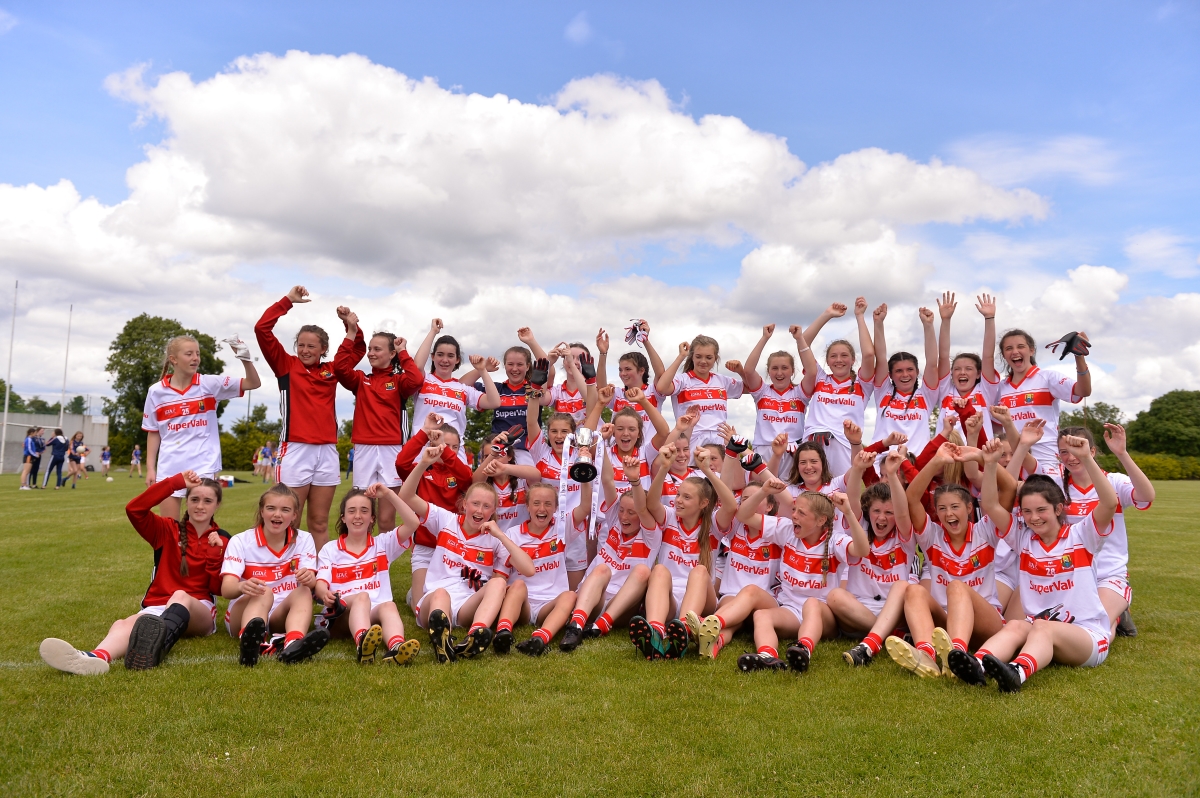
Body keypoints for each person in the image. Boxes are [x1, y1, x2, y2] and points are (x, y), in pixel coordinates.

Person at [954, 436, 1118, 691]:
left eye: (1041, 510)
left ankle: (1017, 673)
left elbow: (1109, 503)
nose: (1033, 518)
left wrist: (1086, 458)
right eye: (1027, 511)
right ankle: (976, 665)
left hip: (1088, 638)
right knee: (1018, 625)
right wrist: (989, 464)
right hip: (1041, 631)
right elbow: (990, 505)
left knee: (1040, 626)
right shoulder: (1023, 538)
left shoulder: (1081, 535)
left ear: (1058, 508)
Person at [38, 470, 230, 674]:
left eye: (207, 501)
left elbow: (218, 589)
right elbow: (135, 509)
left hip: (199, 610)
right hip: (159, 607)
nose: (200, 506)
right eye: (194, 499)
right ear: (186, 501)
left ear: (217, 505)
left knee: (180, 596)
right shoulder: (166, 529)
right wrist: (174, 483)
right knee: (123, 624)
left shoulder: (223, 539)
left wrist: (215, 554)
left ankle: (155, 647)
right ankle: (94, 657)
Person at [886, 442, 1010, 678]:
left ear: (969, 510)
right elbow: (912, 499)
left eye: (955, 507)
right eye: (942, 509)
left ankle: (957, 656)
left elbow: (1008, 490)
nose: (949, 514)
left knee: (956, 587)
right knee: (913, 591)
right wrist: (937, 461)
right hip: (945, 624)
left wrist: (984, 458)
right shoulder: (932, 536)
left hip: (987, 623)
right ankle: (927, 654)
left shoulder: (985, 531)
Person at [399, 448, 535, 663]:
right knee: (440, 594)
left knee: (498, 584)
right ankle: (442, 639)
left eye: (487, 506)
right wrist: (424, 463)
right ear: (464, 505)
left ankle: (475, 635)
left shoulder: (494, 538)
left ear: (493, 510)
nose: (480, 510)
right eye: (475, 504)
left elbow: (529, 569)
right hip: (434, 602)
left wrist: (501, 535)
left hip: (466, 607)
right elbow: (406, 496)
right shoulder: (445, 520)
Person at [733, 488, 870, 673]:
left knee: (811, 603)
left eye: (801, 513)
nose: (794, 516)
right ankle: (768, 657)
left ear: (821, 521)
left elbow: (862, 550)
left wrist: (848, 512)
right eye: (794, 510)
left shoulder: (835, 541)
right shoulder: (787, 529)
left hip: (823, 615)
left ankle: (803, 649)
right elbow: (744, 515)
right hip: (790, 609)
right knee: (761, 615)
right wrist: (764, 490)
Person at [255, 285, 343, 552]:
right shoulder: (286, 365)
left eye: (311, 346)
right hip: (295, 448)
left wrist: (351, 328)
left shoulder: (332, 371)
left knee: (318, 522)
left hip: (327, 450)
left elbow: (353, 351)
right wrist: (288, 301)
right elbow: (262, 329)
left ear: (323, 349)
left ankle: (319, 580)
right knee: (289, 519)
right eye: (301, 345)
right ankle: (283, 574)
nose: (304, 350)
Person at [630, 444, 736, 659]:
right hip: (669, 600)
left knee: (699, 571)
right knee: (659, 570)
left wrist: (706, 470)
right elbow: (651, 503)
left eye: (687, 497)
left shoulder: (713, 525)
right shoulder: (670, 517)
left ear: (704, 503)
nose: (678, 500)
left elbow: (731, 506)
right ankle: (656, 632)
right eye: (678, 495)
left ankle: (685, 630)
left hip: (701, 602)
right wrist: (663, 467)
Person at [144, 333, 260, 520]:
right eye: (189, 354)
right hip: (170, 466)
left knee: (200, 527)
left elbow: (253, 383)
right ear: (173, 359)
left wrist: (244, 358)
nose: (195, 358)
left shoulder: (209, 384)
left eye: (197, 353)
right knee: (170, 530)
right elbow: (153, 431)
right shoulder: (156, 391)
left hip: (204, 465)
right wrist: (151, 467)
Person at [1055, 424, 1154, 638]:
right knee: (1075, 624)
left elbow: (1146, 496)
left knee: (1094, 625)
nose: (1072, 457)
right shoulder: (1055, 486)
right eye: (1064, 451)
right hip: (1071, 573)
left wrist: (1122, 453)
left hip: (1108, 575)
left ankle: (1116, 612)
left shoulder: (1114, 482)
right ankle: (1116, 614)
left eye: (1078, 448)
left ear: (1091, 451)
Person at [558, 452, 663, 651]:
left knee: (642, 571)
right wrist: (602, 445)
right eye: (622, 510)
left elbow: (642, 509)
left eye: (631, 512)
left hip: (622, 606)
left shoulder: (651, 534)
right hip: (593, 598)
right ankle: (576, 627)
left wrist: (634, 480)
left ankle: (602, 624)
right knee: (601, 569)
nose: (624, 516)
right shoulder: (615, 520)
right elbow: (607, 480)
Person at [221, 483, 325, 667]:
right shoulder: (241, 541)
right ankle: (252, 645)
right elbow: (226, 589)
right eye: (271, 508)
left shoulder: (304, 539)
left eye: (285, 510)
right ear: (262, 511)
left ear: (294, 515)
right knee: (264, 591)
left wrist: (310, 580)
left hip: (279, 614)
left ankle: (293, 645)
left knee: (303, 592)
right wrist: (241, 586)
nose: (277, 514)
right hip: (244, 611)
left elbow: (311, 580)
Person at [315, 485, 421, 665]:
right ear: (343, 517)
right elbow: (320, 583)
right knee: (362, 598)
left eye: (364, 511)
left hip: (372, 613)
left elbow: (413, 523)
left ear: (372, 518)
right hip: (341, 615)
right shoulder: (330, 549)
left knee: (388, 605)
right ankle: (363, 643)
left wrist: (388, 494)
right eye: (352, 511)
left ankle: (396, 647)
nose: (358, 516)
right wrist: (324, 593)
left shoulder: (382, 544)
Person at [833, 451, 919, 667]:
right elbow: (852, 501)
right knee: (835, 596)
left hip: (894, 610)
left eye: (888, 512)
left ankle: (871, 641)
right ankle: (888, 634)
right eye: (876, 511)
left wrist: (891, 473)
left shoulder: (904, 536)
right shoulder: (860, 529)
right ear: (867, 512)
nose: (882, 518)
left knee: (902, 586)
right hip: (860, 609)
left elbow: (902, 513)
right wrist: (857, 469)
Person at [694, 479, 790, 661]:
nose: (747, 502)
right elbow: (729, 497)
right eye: (744, 499)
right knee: (731, 616)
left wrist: (765, 489)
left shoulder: (779, 529)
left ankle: (707, 623)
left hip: (766, 600)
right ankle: (714, 644)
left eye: (754, 498)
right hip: (732, 596)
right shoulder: (735, 526)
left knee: (751, 591)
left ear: (770, 506)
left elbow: (789, 503)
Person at [492, 482, 584, 656]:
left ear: (556, 507)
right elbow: (499, 576)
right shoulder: (512, 534)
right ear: (527, 506)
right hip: (522, 605)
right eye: (536, 503)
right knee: (518, 585)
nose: (542, 508)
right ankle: (503, 632)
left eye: (548, 503)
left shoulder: (561, 529)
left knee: (571, 595)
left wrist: (585, 471)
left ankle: (541, 638)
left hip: (549, 605)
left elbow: (585, 507)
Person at [394, 412, 474, 612]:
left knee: (454, 599)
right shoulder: (422, 470)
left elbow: (467, 478)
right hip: (426, 547)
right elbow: (400, 464)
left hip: (453, 548)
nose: (449, 450)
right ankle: (416, 592)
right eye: (443, 444)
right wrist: (424, 433)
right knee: (419, 609)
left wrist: (445, 451)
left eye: (455, 447)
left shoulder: (458, 472)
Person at [799, 298, 877, 476]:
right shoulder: (819, 377)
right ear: (827, 361)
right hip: (813, 445)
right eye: (833, 356)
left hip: (844, 446)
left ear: (852, 360)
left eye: (844, 356)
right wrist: (827, 315)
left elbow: (869, 354)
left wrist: (859, 316)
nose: (839, 360)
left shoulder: (861, 384)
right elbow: (803, 343)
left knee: (841, 497)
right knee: (810, 496)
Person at [994, 327, 1091, 467]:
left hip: (1044, 453)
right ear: (1003, 355)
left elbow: (1083, 391)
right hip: (1011, 455)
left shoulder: (1048, 377)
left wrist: (1079, 357)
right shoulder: (1000, 387)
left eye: (1020, 346)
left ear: (1031, 350)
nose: (1015, 351)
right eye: (1009, 348)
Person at [732, 324, 816, 477]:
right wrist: (764, 338)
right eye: (774, 368)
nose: (779, 373)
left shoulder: (800, 393)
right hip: (764, 451)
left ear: (792, 371)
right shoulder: (762, 392)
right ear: (768, 371)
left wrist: (799, 339)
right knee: (761, 494)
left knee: (788, 495)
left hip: (792, 453)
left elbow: (811, 371)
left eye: (784, 368)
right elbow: (748, 369)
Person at [408, 320, 502, 455]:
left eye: (450, 356)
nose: (445, 360)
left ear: (457, 359)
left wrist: (482, 370)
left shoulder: (463, 388)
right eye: (440, 354)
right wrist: (433, 332)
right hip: (423, 450)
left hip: (454, 452)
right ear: (432, 357)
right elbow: (416, 366)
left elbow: (494, 402)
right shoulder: (424, 380)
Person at [869, 302, 941, 455]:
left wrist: (928, 326)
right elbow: (880, 358)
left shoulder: (925, 395)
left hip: (917, 464)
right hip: (883, 464)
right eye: (899, 371)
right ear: (890, 375)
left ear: (917, 371)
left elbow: (932, 363)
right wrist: (878, 323)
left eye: (910, 370)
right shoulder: (883, 391)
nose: (905, 375)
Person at [655, 336, 743, 448]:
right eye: (698, 356)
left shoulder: (722, 381)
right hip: (691, 440)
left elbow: (753, 388)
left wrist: (741, 371)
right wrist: (681, 356)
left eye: (709, 357)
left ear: (716, 358)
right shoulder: (682, 380)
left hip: (719, 441)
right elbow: (661, 388)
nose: (703, 361)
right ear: (691, 357)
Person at [934, 294, 999, 441]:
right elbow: (943, 356)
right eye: (957, 369)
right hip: (948, 459)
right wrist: (945, 320)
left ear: (978, 374)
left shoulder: (985, 391)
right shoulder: (946, 391)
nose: (962, 372)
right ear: (951, 373)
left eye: (969, 369)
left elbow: (988, 356)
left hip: (978, 458)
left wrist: (989, 318)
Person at [596, 320, 667, 443]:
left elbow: (661, 373)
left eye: (628, 369)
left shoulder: (653, 391)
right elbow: (601, 388)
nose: (623, 374)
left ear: (641, 371)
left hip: (647, 454)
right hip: (619, 453)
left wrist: (645, 340)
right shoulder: (617, 394)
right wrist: (603, 353)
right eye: (620, 370)